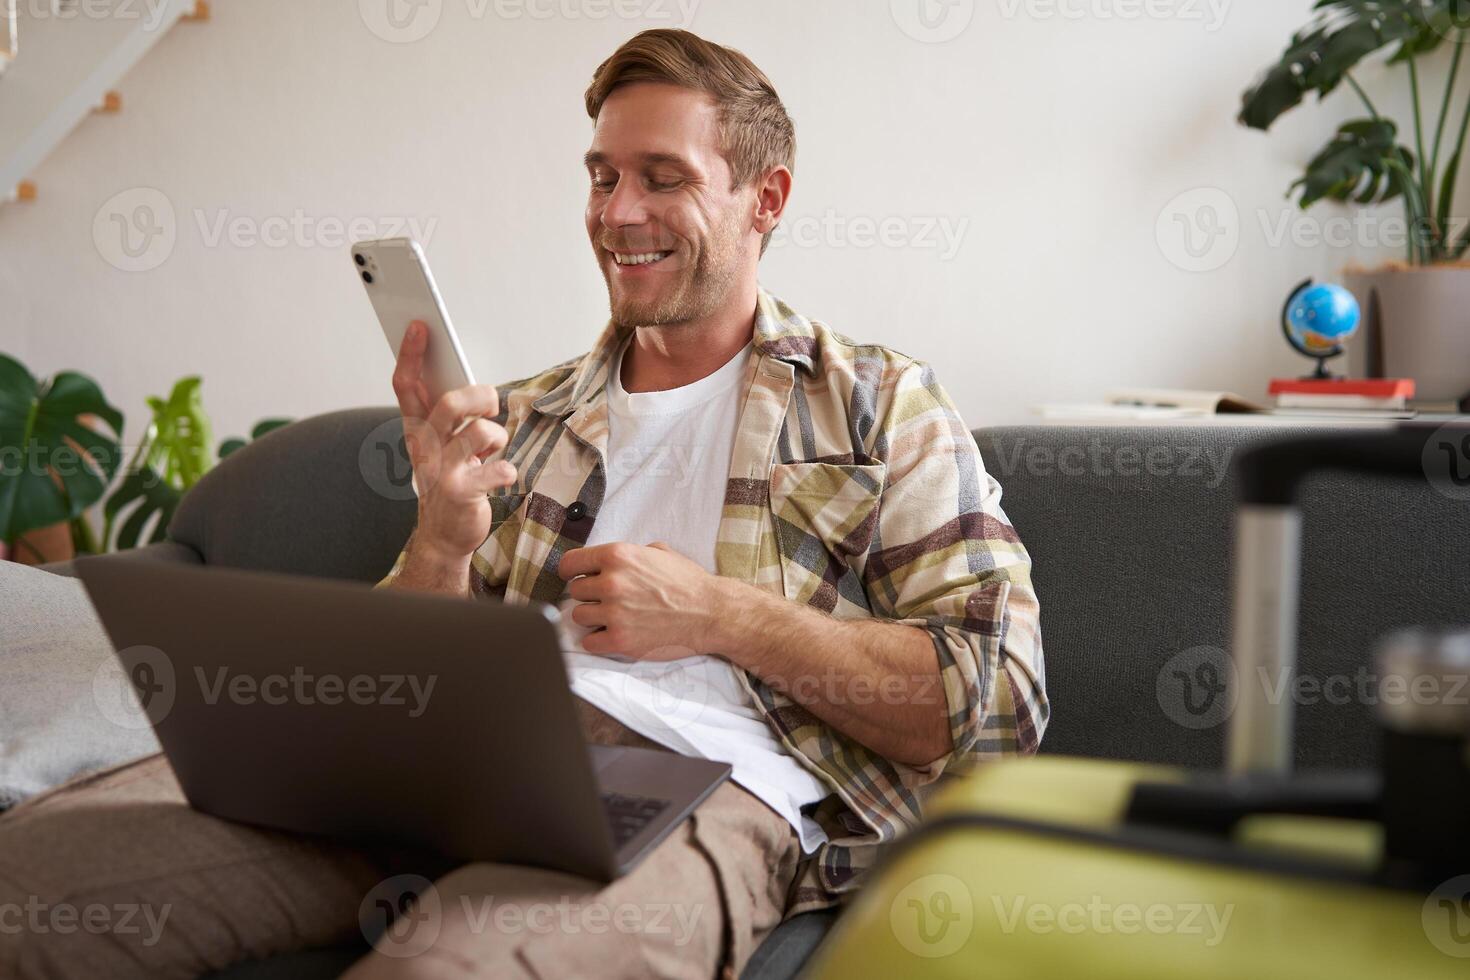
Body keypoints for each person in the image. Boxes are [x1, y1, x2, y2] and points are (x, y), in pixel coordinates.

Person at [0, 29, 1046, 980]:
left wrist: (723, 615)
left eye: (661, 177)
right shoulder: (530, 415)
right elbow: (396, 670)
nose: (615, 211)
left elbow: (994, 700)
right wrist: (442, 537)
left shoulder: (879, 402)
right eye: (602, 175)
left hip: (699, 784)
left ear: (765, 199)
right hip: (455, 760)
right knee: (33, 877)